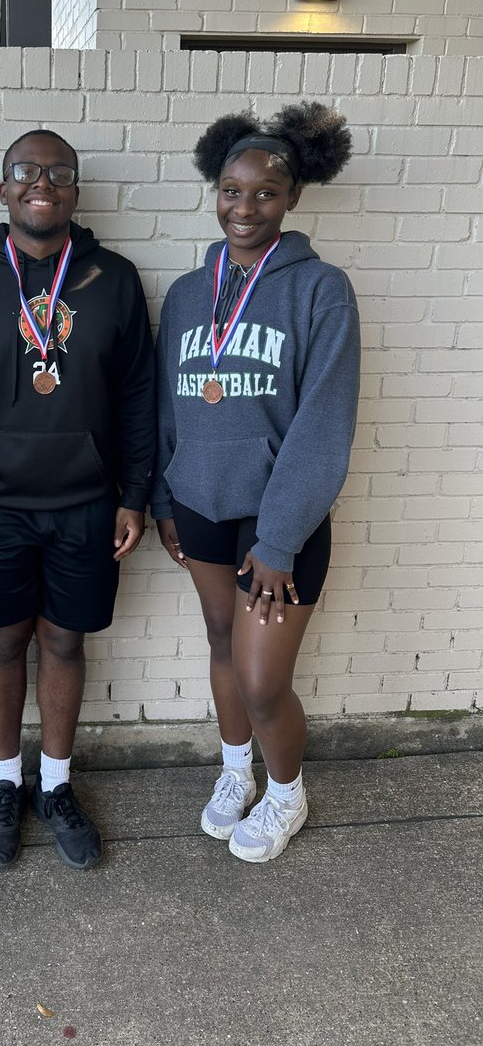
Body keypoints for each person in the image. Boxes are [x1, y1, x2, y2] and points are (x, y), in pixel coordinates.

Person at [0, 130, 155, 870]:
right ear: (3, 189)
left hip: (87, 503)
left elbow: (138, 396)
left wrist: (137, 494)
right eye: (26, 171)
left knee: (64, 642)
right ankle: (4, 783)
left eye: (58, 173)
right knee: (2, 642)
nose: (41, 183)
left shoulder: (114, 279)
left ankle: (55, 785)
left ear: (75, 192)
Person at [152, 102, 358, 863]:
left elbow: (324, 423)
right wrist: (165, 498)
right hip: (199, 502)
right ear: (216, 191)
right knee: (218, 641)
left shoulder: (320, 289)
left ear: (293, 197)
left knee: (263, 678)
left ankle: (286, 793)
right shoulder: (184, 293)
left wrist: (279, 539)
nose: (245, 207)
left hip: (280, 523)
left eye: (265, 192)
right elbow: (167, 402)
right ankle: (236, 769)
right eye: (231, 190)